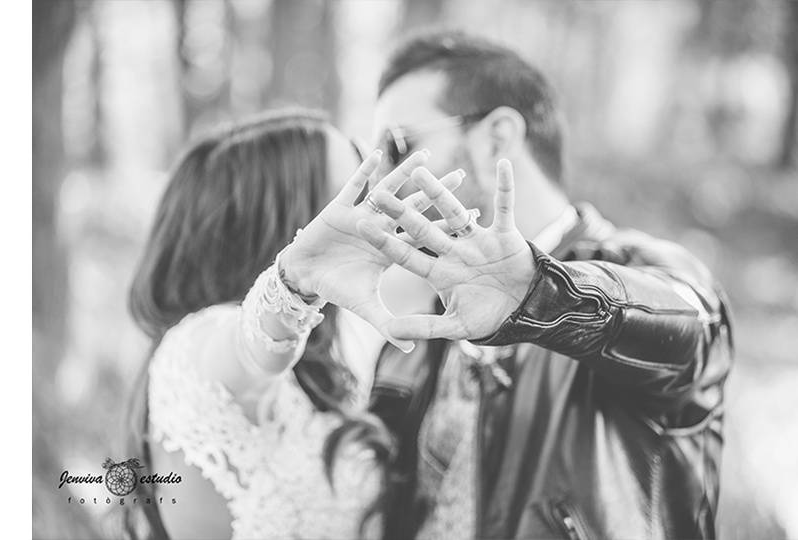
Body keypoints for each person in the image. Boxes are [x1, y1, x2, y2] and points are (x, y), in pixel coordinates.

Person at [313, 31, 734, 540]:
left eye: (399, 144)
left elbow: (690, 331)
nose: (384, 177)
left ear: (496, 138)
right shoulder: (418, 328)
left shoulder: (642, 268)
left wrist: (541, 294)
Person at [123, 108, 463, 539]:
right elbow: (253, 348)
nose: (380, 195)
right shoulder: (198, 347)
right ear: (294, 223)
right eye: (357, 181)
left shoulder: (316, 376)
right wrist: (292, 285)